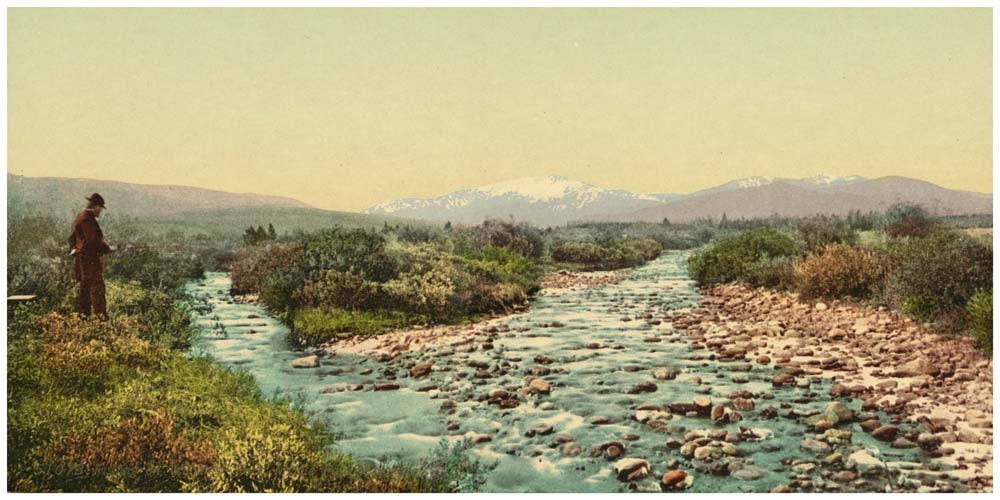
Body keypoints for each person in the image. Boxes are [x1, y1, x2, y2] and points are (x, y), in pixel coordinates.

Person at [69, 193, 116, 317]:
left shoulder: (80, 216)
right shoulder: (88, 219)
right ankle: (101, 317)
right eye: (101, 208)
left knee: (84, 288)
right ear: (96, 206)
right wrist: (108, 248)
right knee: (97, 288)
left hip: (81, 259)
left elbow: (72, 237)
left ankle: (83, 316)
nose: (101, 211)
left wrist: (74, 248)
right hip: (90, 260)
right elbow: (93, 240)